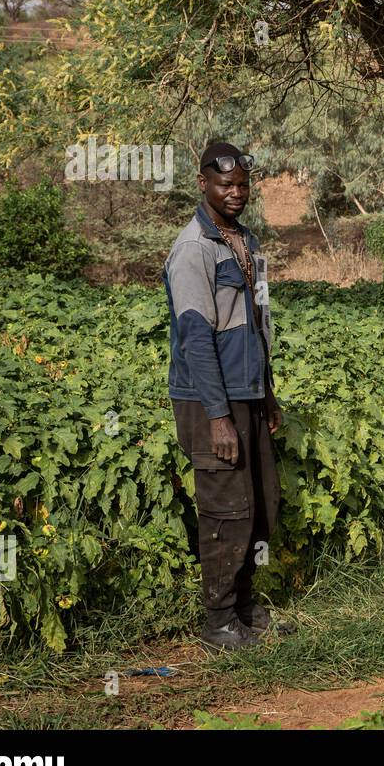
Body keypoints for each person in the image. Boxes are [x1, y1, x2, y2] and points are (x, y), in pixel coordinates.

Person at [164, 142, 282, 652]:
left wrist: (268, 394)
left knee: (258, 504)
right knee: (224, 509)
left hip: (248, 392)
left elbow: (257, 326)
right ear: (203, 184)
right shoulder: (193, 249)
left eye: (241, 186)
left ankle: (244, 609)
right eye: (224, 185)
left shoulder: (246, 242)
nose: (234, 194)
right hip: (210, 399)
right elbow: (195, 339)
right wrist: (218, 417)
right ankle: (217, 623)